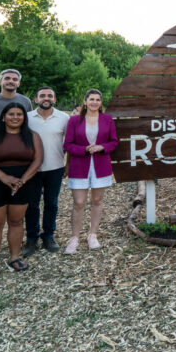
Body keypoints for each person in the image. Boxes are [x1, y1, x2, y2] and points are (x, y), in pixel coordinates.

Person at [0, 102, 43, 281]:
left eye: (19, 114)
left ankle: (14, 257)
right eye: (11, 114)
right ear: (4, 116)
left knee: (16, 221)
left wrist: (24, 179)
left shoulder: (32, 136)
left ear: (24, 117)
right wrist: (3, 177)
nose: (15, 117)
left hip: (22, 183)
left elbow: (38, 160)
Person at [63, 89, 119, 254]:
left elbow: (114, 141)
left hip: (101, 165)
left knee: (97, 200)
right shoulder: (74, 120)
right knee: (79, 202)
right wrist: (84, 149)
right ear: (85, 101)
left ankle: (92, 235)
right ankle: (74, 238)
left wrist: (102, 147)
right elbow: (67, 145)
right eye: (91, 99)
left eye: (98, 99)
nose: (94, 102)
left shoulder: (107, 119)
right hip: (80, 165)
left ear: (101, 103)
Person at [24, 86, 70, 256]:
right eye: (42, 95)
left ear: (55, 99)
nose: (46, 98)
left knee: (51, 203)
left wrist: (68, 164)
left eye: (50, 96)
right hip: (31, 170)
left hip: (55, 167)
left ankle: (48, 236)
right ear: (36, 99)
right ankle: (31, 238)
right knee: (32, 205)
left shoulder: (64, 117)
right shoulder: (27, 118)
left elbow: (70, 142)